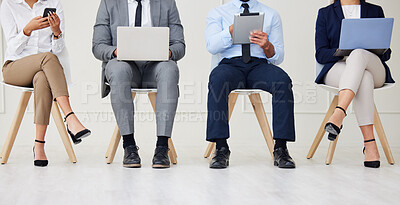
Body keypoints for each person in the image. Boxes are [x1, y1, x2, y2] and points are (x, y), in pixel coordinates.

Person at [92, 0, 185, 169]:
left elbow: (180, 45)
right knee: (118, 69)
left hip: (156, 65)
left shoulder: (167, 3)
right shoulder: (108, 3)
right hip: (125, 64)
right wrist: (115, 51)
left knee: (169, 69)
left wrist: (169, 52)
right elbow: (98, 46)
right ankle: (129, 146)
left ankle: (162, 147)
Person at [205, 0, 296, 169]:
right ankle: (221, 147)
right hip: (230, 65)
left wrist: (267, 45)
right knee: (217, 79)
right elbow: (211, 46)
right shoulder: (217, 13)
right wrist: (231, 31)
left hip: (259, 66)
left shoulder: (271, 14)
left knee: (282, 81)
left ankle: (281, 148)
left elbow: (279, 56)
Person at [1, 0, 91, 167]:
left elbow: (57, 50)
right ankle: (70, 117)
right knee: (48, 58)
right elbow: (13, 48)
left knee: (43, 77)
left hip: (45, 70)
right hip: (14, 67)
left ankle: (39, 145)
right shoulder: (8, 4)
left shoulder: (54, 3)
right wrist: (27, 30)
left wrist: (57, 32)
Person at [315, 0, 395, 168]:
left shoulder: (375, 10)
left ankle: (339, 113)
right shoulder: (325, 13)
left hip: (373, 66)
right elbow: (321, 54)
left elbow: (386, 54)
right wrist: (344, 52)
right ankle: (370, 144)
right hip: (339, 67)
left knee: (359, 54)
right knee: (363, 78)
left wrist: (375, 48)